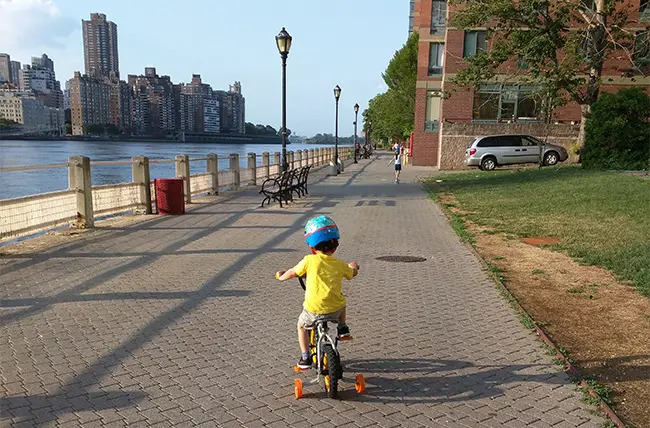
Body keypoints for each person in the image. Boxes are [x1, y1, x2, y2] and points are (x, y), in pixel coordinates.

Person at [275, 216, 359, 369]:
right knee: (342, 302)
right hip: (335, 311)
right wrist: (354, 267)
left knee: (301, 325)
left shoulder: (308, 260)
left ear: (312, 248)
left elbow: (293, 272)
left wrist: (281, 276)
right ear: (335, 247)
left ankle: (305, 357)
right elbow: (351, 273)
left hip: (313, 311)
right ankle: (342, 327)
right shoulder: (340, 265)